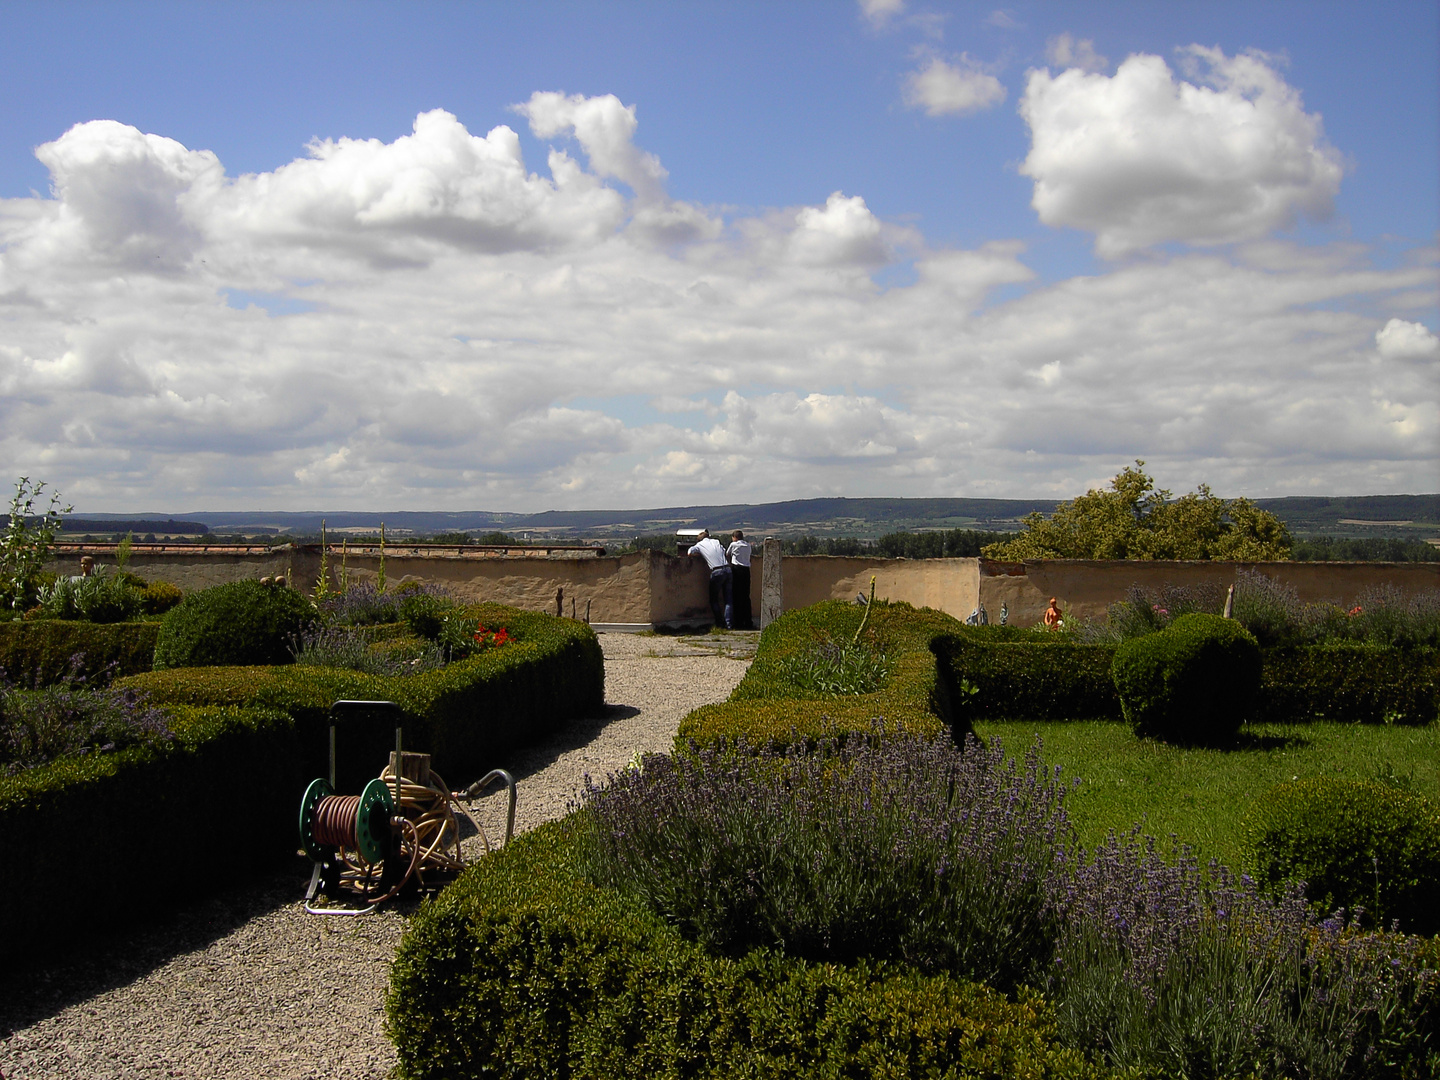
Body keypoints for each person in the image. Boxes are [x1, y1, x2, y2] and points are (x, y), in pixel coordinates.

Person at [687, 529, 732, 630]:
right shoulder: (716, 541)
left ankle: (720, 623)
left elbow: (689, 552)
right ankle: (729, 624)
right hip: (728, 569)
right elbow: (724, 551)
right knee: (728, 599)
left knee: (714, 599)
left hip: (717, 571)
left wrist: (700, 554)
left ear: (699, 540)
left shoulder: (699, 545)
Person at [726, 530, 753, 630]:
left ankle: (738, 622)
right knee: (746, 597)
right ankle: (748, 622)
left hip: (736, 570)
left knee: (736, 596)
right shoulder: (748, 545)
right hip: (746, 571)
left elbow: (727, 554)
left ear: (734, 537)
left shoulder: (733, 545)